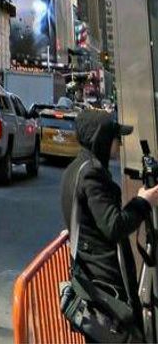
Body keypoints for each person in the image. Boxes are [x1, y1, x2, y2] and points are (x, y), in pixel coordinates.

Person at [62, 111, 158, 342]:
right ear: (102, 140)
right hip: (104, 286)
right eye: (116, 138)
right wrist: (143, 201)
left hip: (93, 278)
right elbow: (113, 226)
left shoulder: (76, 168)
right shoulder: (91, 174)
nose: (120, 144)